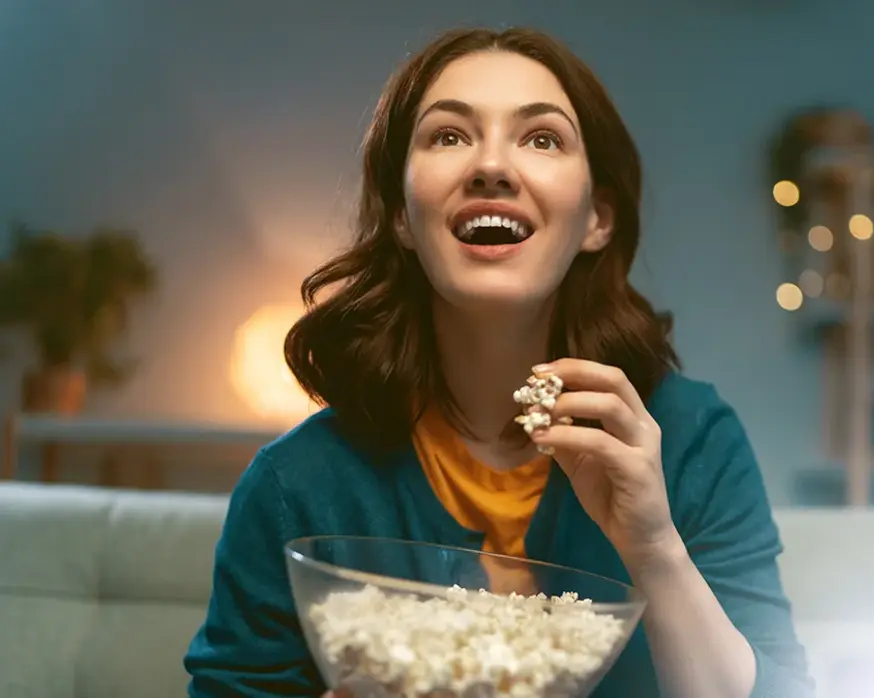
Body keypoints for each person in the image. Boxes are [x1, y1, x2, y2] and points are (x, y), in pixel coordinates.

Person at [183, 26, 814, 698]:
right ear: (401, 213)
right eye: (449, 136)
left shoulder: (692, 442)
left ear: (597, 218)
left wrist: (654, 547)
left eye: (542, 138)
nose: (492, 166)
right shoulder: (295, 487)